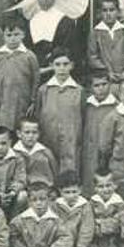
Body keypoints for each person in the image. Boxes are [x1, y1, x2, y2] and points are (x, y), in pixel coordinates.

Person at [10, 0, 88, 78]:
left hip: (59, 69)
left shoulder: (65, 21)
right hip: (36, 69)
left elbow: (69, 48)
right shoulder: (32, 21)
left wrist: (51, 64)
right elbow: (28, 47)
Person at [35, 48, 83, 178]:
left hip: (71, 141)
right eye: (57, 64)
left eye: (65, 64)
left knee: (69, 174)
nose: (62, 68)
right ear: (51, 66)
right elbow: (38, 115)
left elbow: (83, 117)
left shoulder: (78, 91)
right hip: (49, 139)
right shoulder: (44, 90)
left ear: (71, 66)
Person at [0, 19, 40, 131]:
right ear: (3, 36)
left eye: (16, 34)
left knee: (20, 127)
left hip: (22, 99)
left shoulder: (29, 56)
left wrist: (33, 100)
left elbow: (36, 79)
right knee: (3, 127)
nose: (12, 38)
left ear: (23, 35)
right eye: (8, 35)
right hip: (3, 99)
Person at [87, 0, 124, 85]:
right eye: (105, 10)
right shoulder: (95, 33)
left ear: (118, 12)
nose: (108, 14)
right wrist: (106, 72)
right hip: (103, 79)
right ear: (100, 13)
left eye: (112, 10)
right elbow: (93, 56)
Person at [81, 71, 117, 193]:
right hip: (89, 151)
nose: (101, 89)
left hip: (108, 152)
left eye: (104, 84)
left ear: (110, 84)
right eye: (96, 85)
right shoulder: (87, 105)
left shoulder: (116, 106)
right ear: (91, 88)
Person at [0, 126, 28, 216]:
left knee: (23, 196)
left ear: (10, 142)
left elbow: (20, 178)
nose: (0, 147)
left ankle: (13, 221)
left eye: (4, 143)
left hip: (12, 195)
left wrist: (12, 192)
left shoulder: (17, 158)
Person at [13, 117, 58, 187]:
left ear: (39, 134)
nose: (31, 136)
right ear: (19, 134)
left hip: (44, 189)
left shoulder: (45, 153)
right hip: (20, 190)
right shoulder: (13, 153)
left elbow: (55, 172)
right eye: (27, 132)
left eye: (34, 132)